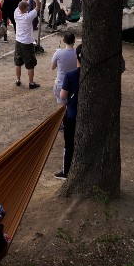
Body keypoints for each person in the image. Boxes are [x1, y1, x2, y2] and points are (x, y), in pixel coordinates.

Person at [54, 44, 81, 180]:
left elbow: (63, 96)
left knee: (69, 144)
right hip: (87, 117)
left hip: (72, 115)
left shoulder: (71, 76)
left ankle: (66, 171)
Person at [13, 0, 40, 89]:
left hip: (18, 41)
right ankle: (31, 82)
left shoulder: (17, 12)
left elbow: (22, 2)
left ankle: (18, 80)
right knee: (30, 63)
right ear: (25, 9)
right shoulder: (28, 17)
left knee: (18, 62)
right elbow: (38, 6)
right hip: (27, 42)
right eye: (27, 7)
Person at [51, 32, 77, 104]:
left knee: (62, 107)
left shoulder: (58, 53)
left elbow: (52, 67)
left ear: (63, 40)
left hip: (61, 83)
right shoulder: (77, 52)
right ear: (74, 40)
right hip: (74, 83)